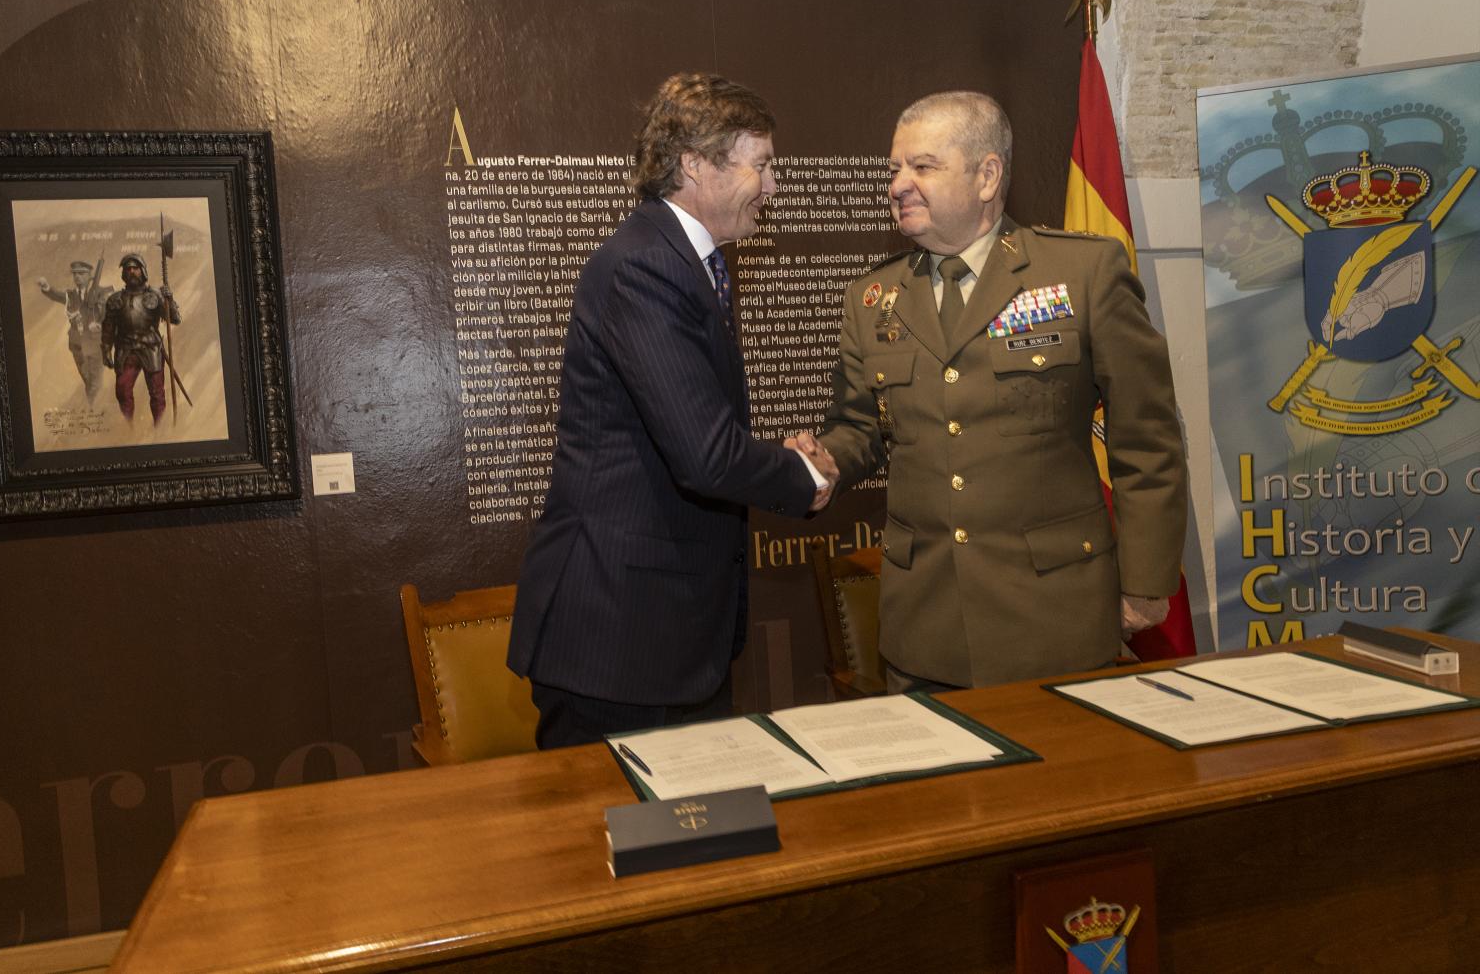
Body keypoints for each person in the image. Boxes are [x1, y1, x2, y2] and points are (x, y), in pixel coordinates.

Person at [806, 91, 1186, 692]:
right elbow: (860, 429)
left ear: (987, 176)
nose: (899, 184)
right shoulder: (872, 299)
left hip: (1054, 619)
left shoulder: (1082, 274)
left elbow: (1148, 438)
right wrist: (827, 461)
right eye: (894, 169)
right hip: (923, 627)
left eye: (922, 166)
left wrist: (1146, 581)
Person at [508, 72, 839, 749]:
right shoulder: (644, 267)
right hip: (620, 639)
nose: (773, 187)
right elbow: (705, 454)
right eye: (764, 165)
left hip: (668, 635)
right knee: (611, 845)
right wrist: (803, 477)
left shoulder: (690, 264)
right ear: (695, 164)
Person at [100, 253, 181, 424]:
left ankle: (160, 429)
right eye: (127, 268)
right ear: (123, 273)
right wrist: (106, 350)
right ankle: (127, 429)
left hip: (151, 348)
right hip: (125, 350)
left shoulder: (156, 295)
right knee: (122, 391)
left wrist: (170, 298)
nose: (131, 271)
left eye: (135, 268)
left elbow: (175, 319)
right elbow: (108, 328)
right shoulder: (115, 300)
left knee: (157, 393)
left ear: (142, 271)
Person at [37, 259, 110, 406]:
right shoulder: (70, 295)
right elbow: (56, 295)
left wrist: (101, 324)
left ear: (90, 275)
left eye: (81, 273)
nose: (77, 277)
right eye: (75, 274)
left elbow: (108, 314)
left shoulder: (101, 293)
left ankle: (95, 411)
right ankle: (94, 409)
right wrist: (46, 287)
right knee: (87, 379)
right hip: (77, 344)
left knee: (95, 382)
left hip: (95, 343)